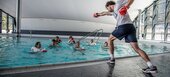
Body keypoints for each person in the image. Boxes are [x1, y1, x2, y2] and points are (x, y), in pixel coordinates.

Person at [93, 0, 157, 73]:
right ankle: (151, 67)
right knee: (137, 48)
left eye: (107, 8)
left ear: (109, 5)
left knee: (110, 40)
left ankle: (112, 59)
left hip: (123, 27)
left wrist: (126, 6)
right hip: (131, 27)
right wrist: (98, 14)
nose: (108, 10)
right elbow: (105, 13)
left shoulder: (118, 3)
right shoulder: (114, 12)